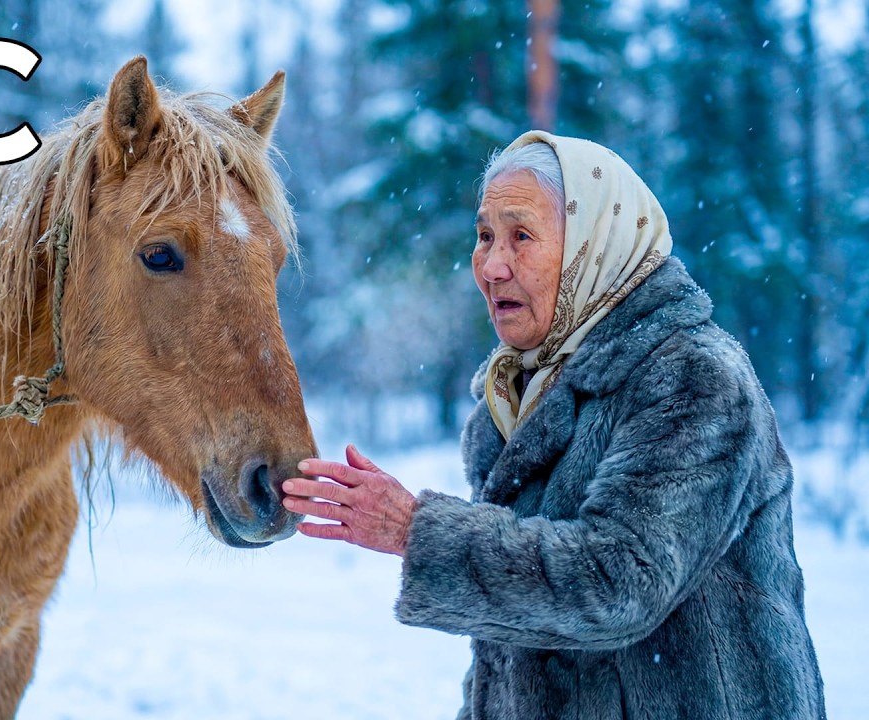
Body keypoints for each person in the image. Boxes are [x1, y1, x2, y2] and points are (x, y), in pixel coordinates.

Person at [282, 131, 826, 719]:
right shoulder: (513, 397)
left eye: (521, 236)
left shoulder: (694, 376)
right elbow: (511, 648)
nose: (491, 266)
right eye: (484, 235)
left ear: (594, 244)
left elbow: (622, 582)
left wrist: (419, 532)